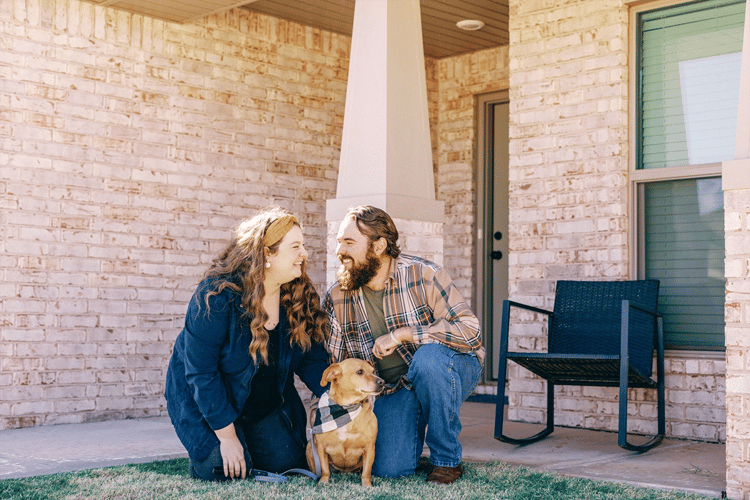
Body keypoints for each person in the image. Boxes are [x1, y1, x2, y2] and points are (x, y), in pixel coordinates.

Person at [165, 206, 330, 481]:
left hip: (261, 406)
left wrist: (338, 392)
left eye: (304, 246)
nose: (305, 254)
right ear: (267, 253)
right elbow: (201, 374)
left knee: (287, 464)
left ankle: (251, 440)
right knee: (222, 469)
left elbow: (311, 360)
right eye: (296, 247)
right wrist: (228, 439)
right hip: (207, 401)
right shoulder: (216, 297)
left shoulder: (297, 295)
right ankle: (218, 446)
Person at [324, 205, 484, 485]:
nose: (340, 251)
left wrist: (405, 334)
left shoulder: (424, 275)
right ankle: (418, 414)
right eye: (339, 242)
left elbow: (471, 333)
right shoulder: (338, 296)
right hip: (392, 386)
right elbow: (337, 364)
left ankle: (446, 460)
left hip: (451, 368)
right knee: (389, 468)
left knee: (429, 361)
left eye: (349, 242)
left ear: (379, 246)